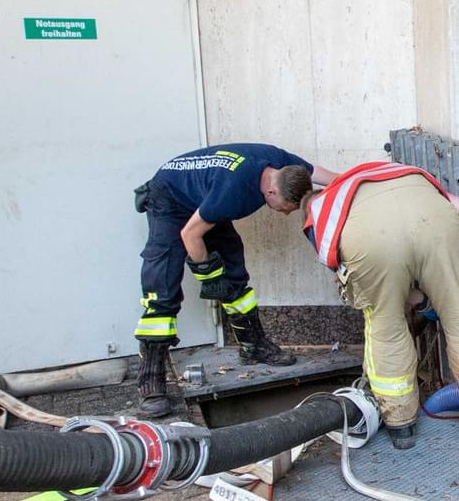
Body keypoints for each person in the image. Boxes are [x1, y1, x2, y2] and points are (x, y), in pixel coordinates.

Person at [302, 160, 459, 453]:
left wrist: (398, 296)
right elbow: (458, 204)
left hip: (372, 243)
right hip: (435, 223)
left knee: (385, 326)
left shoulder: (320, 208)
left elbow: (338, 264)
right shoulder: (392, 172)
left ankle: (401, 426)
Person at [132, 143, 334, 418]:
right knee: (162, 286)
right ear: (271, 192)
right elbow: (190, 235)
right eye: (285, 208)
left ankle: (254, 346)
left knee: (234, 272)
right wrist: (208, 276)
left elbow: (325, 175)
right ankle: (151, 380)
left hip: (206, 195)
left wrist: (356, 185)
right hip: (170, 197)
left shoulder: (283, 164)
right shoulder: (232, 194)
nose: (286, 213)